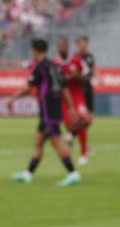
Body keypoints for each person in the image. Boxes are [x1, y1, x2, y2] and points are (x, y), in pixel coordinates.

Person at [8, 39, 81, 187]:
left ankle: (73, 173)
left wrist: (13, 98)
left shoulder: (39, 68)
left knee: (57, 143)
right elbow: (64, 88)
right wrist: (71, 108)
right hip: (52, 110)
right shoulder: (55, 66)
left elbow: (29, 89)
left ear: (35, 50)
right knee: (38, 142)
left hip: (48, 112)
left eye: (32, 51)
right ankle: (28, 174)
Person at [54, 36, 93, 164]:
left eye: (64, 46)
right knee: (70, 124)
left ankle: (83, 153)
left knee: (81, 120)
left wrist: (78, 75)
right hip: (63, 99)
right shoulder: (55, 63)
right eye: (60, 47)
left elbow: (89, 76)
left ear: (68, 47)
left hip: (77, 96)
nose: (62, 49)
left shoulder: (77, 61)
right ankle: (70, 137)